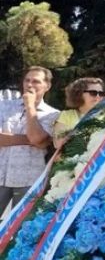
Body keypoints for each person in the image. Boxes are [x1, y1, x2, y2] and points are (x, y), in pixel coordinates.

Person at [0, 67, 60, 214]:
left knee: (17, 225)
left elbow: (36, 138)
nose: (29, 85)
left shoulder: (53, 114)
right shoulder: (4, 106)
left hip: (29, 180)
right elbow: (36, 139)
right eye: (27, 80)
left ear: (47, 86)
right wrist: (35, 141)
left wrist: (30, 106)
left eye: (36, 81)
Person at [52, 77, 105, 146]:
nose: (98, 96)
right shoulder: (66, 116)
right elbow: (58, 143)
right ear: (79, 94)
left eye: (101, 93)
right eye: (93, 93)